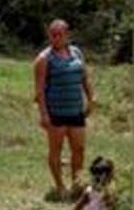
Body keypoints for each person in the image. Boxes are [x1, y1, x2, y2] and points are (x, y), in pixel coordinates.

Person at [33, 19, 98, 199]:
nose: (57, 38)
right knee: (57, 149)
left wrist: (91, 98)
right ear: (49, 36)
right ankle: (60, 187)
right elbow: (39, 90)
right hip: (56, 113)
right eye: (53, 35)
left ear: (67, 35)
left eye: (60, 34)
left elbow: (84, 78)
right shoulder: (44, 59)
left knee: (79, 149)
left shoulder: (77, 53)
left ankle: (76, 185)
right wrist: (44, 115)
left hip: (76, 111)